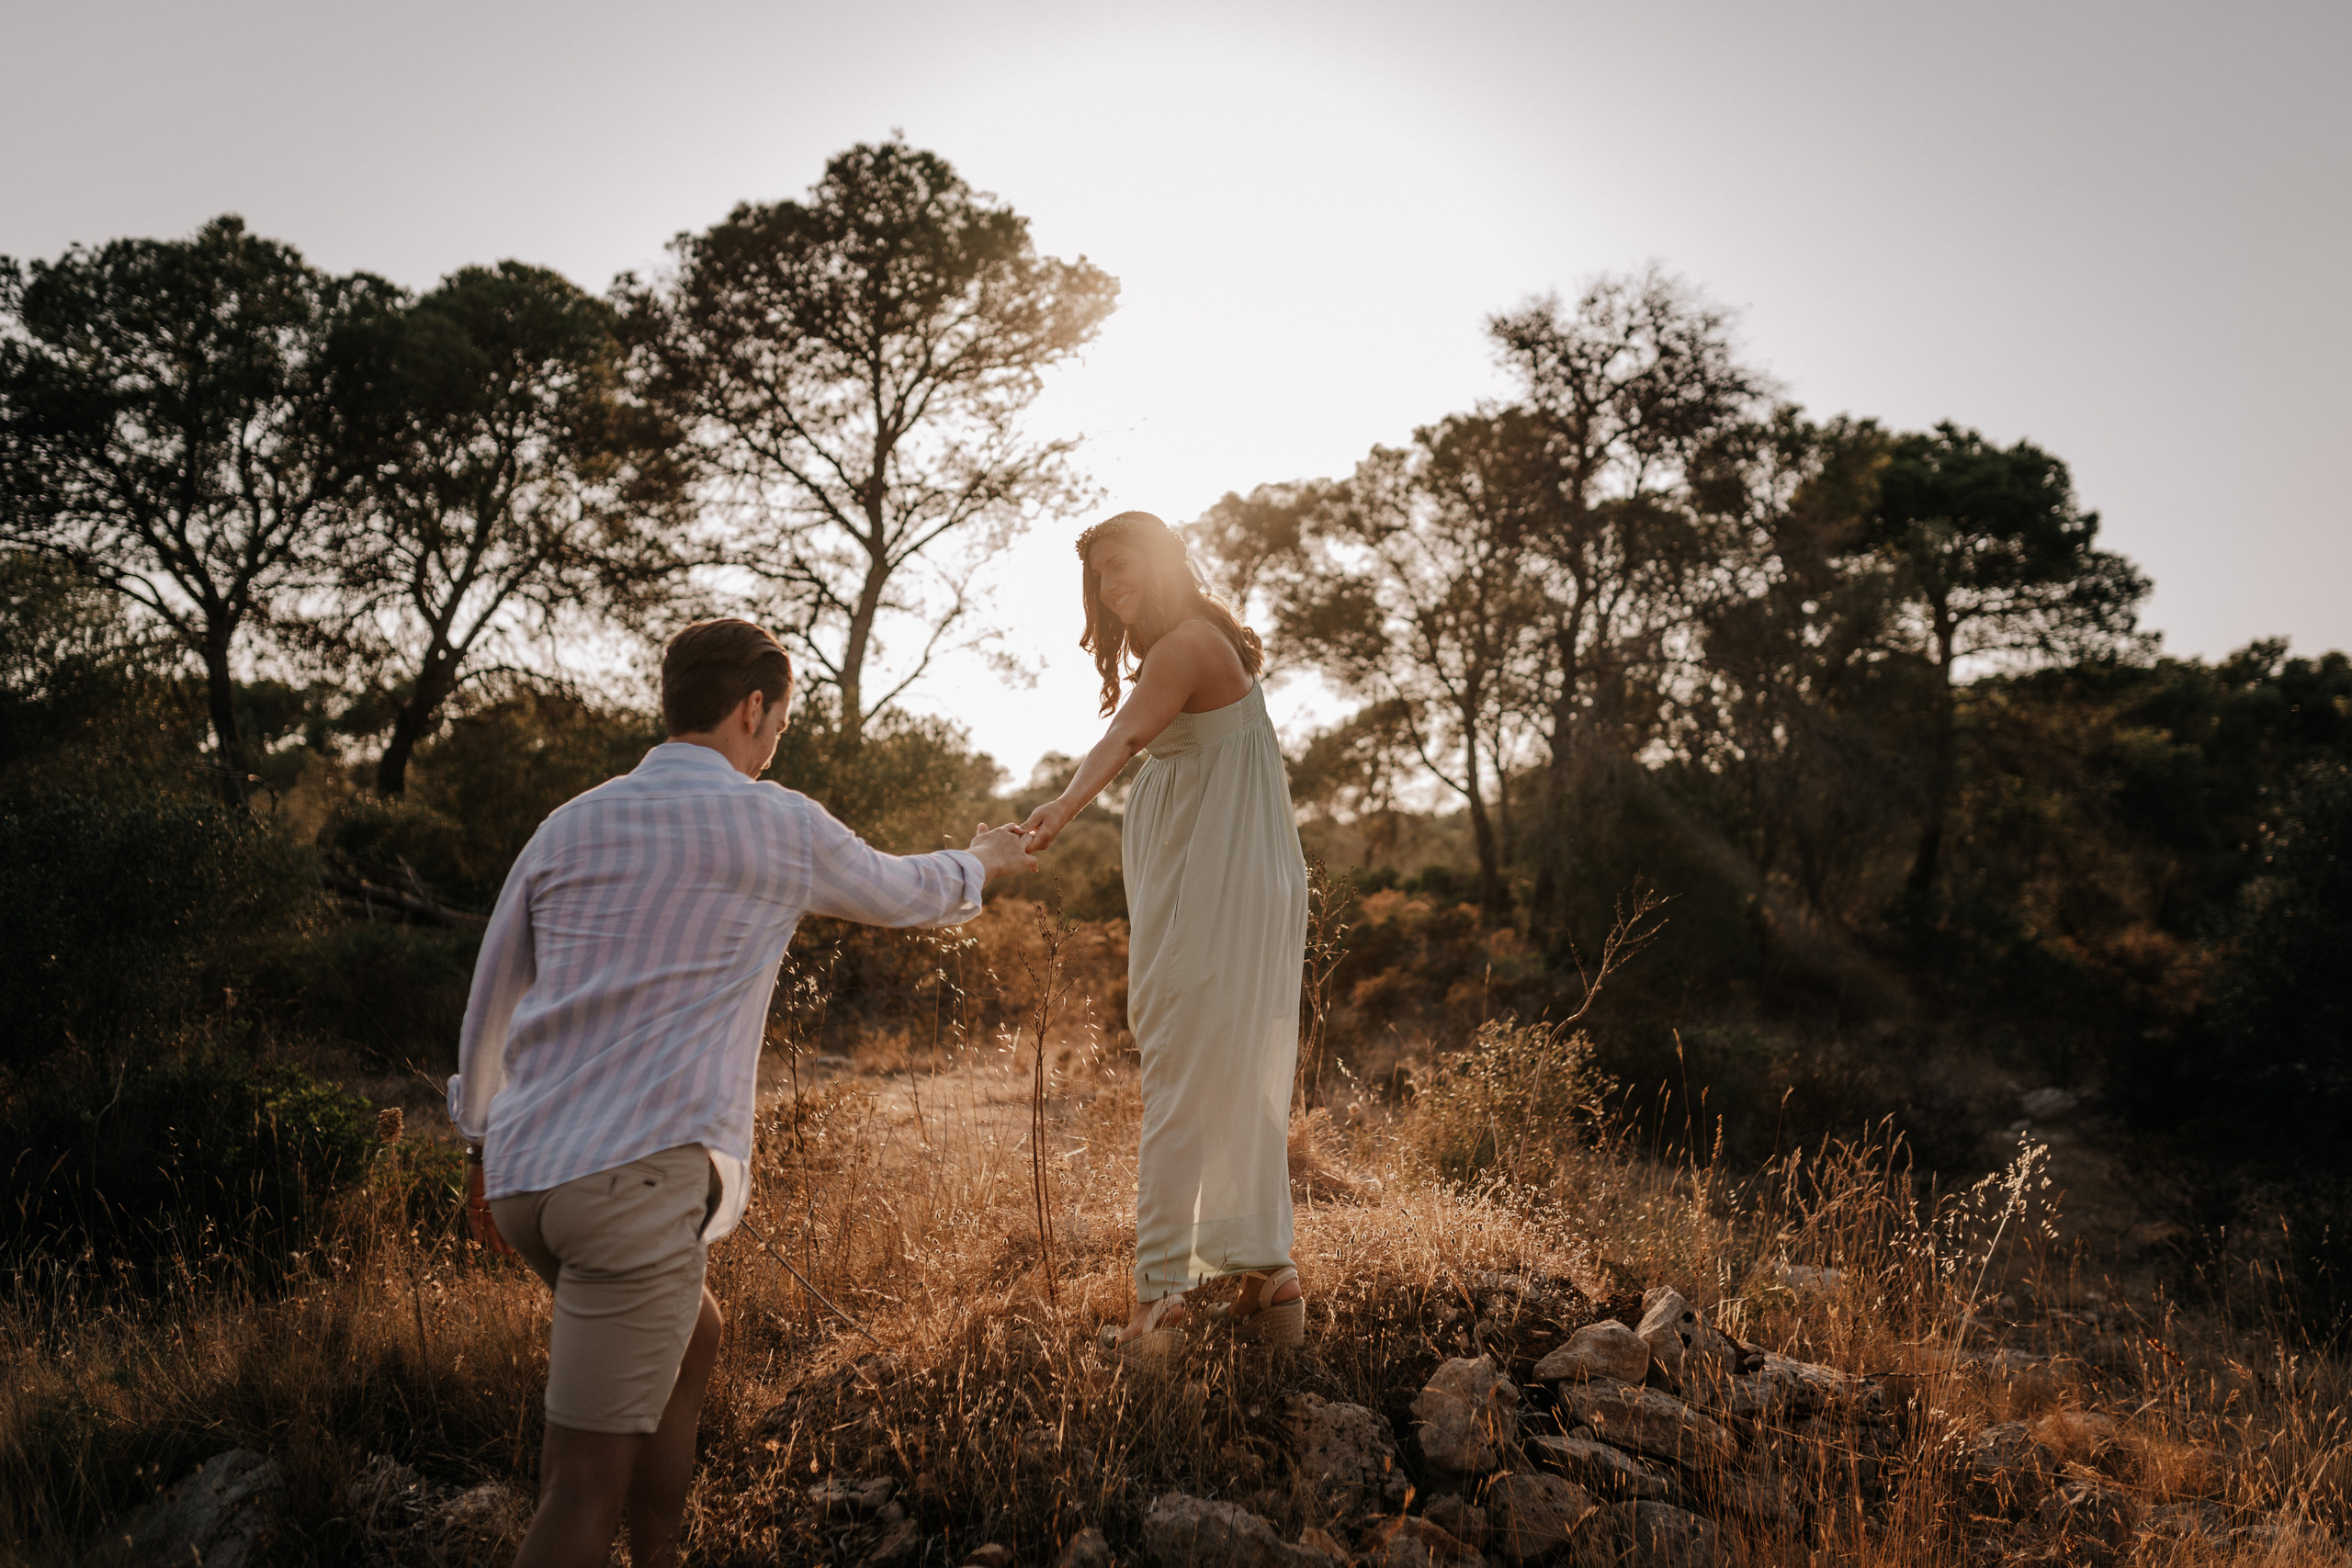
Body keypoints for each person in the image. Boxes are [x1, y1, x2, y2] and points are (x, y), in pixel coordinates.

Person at [449, 618, 1035, 1568]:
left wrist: (478, 1142)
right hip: (628, 1189)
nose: (775, 744)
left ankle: (662, 1548)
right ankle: (639, 1541)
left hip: (529, 1179)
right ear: (751, 708)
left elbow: (493, 994)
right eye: (780, 723)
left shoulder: (571, 821)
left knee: (693, 1336)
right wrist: (985, 861)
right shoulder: (775, 823)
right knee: (577, 1486)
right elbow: (901, 892)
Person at [1018, 511, 1309, 1370]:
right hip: (1235, 889)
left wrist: (1059, 810)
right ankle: (1271, 1280)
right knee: (1227, 1076)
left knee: (1181, 1076)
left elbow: (1127, 734)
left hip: (1212, 899)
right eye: (1099, 577)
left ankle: (1156, 1300)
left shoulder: (1184, 645)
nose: (1112, 587)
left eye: (1123, 566)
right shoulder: (1199, 643)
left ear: (1166, 561)